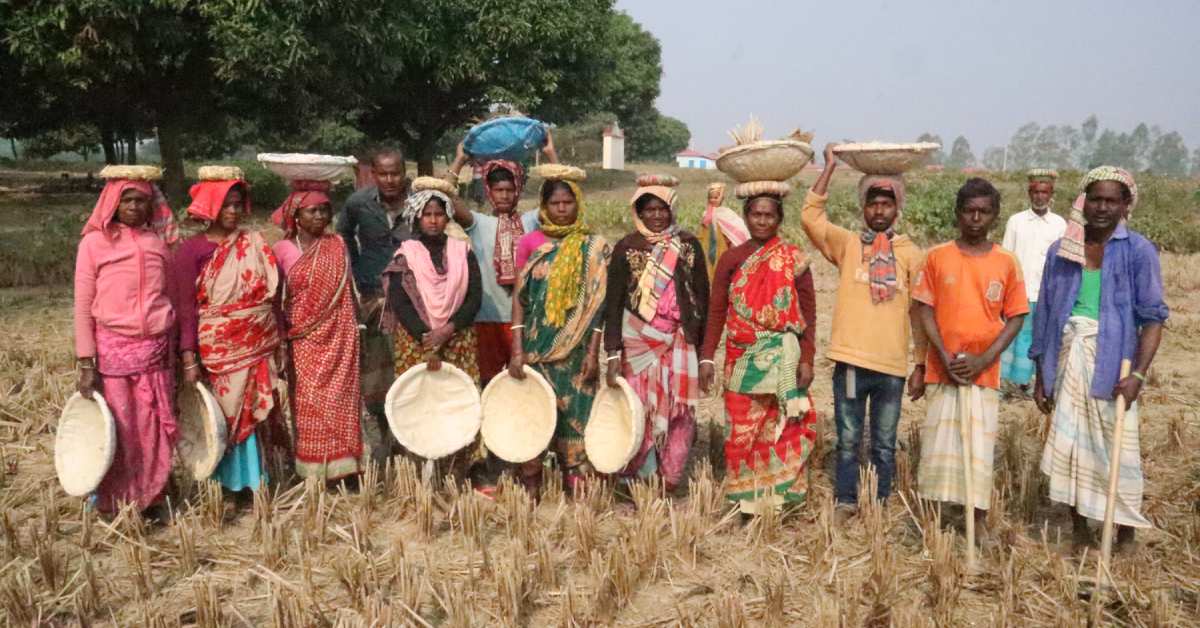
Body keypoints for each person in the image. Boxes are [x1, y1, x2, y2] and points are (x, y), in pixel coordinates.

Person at [1030, 166, 1166, 551]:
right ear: (1083, 202)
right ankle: (1080, 528)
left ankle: (1123, 529)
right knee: (1072, 446)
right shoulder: (1061, 250)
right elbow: (1046, 314)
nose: (1102, 207)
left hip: (1114, 363)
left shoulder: (1138, 251)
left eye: (1111, 200)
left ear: (1126, 205)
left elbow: (1154, 318)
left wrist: (1138, 374)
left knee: (1116, 449)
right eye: (1096, 199)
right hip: (1068, 357)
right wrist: (1042, 373)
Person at [801, 144, 927, 521]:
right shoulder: (848, 245)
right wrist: (829, 167)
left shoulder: (911, 254)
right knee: (849, 440)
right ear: (863, 206)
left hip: (890, 367)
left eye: (886, 204)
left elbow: (920, 314)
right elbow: (811, 216)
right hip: (851, 363)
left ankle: (880, 501)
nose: (879, 211)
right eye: (873, 203)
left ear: (897, 207)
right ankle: (845, 499)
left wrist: (921, 363)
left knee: (885, 444)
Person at [911, 178, 1028, 539]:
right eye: (969, 211)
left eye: (984, 211)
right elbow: (923, 310)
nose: (975, 218)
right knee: (937, 449)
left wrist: (983, 359)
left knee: (978, 452)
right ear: (958, 213)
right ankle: (932, 523)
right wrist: (943, 356)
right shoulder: (936, 256)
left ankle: (975, 522)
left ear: (994, 215)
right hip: (941, 370)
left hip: (985, 373)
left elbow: (1017, 316)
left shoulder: (1007, 262)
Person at [699, 189, 818, 516]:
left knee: (783, 428)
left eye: (769, 215)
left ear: (779, 219)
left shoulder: (794, 258)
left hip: (785, 357)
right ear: (746, 217)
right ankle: (747, 504)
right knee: (742, 432)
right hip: (742, 358)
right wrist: (707, 356)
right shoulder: (731, 259)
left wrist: (807, 358)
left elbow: (808, 313)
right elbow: (716, 312)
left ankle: (779, 503)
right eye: (756, 214)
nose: (762, 220)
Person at [174, 171, 291, 494]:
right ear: (210, 206)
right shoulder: (190, 252)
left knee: (257, 409)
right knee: (223, 416)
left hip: (258, 341)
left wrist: (279, 337)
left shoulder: (254, 243)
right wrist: (188, 357)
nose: (233, 212)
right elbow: (185, 309)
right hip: (219, 348)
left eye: (238, 205)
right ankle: (226, 485)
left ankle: (258, 480)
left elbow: (273, 294)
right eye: (226, 205)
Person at [73, 171, 179, 515]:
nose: (134, 207)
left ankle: (153, 495)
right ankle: (118, 499)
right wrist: (86, 361)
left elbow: (172, 296)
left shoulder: (157, 243)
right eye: (127, 200)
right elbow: (83, 304)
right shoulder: (93, 244)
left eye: (141, 200)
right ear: (113, 203)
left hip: (156, 352)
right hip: (113, 353)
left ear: (152, 205)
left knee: (154, 427)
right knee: (121, 429)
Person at [602, 175, 709, 493]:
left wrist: (704, 354)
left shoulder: (688, 245)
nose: (657, 216)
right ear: (639, 211)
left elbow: (703, 297)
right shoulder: (626, 248)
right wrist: (611, 352)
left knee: (680, 411)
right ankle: (640, 479)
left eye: (663, 209)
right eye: (650, 209)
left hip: (679, 343)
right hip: (638, 344)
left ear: (672, 210)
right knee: (638, 410)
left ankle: (670, 478)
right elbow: (614, 303)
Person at [508, 171, 610, 494]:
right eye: (555, 203)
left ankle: (577, 495)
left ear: (578, 203)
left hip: (578, 355)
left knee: (577, 422)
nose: (562, 208)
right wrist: (516, 348)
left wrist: (594, 353)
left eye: (568, 202)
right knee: (533, 420)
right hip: (536, 351)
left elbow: (598, 307)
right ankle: (531, 494)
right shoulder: (533, 243)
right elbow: (520, 300)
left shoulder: (594, 248)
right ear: (544, 206)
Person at [446, 131, 557, 383]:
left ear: (517, 190)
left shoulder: (531, 221)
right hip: (487, 317)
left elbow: (559, 193)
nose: (504, 195)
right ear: (488, 192)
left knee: (527, 383)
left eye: (509, 189)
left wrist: (550, 153)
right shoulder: (478, 223)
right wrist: (459, 159)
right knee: (490, 383)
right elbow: (446, 197)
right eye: (498, 190)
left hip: (525, 319)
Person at [273, 181, 364, 482]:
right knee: (309, 403)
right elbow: (276, 298)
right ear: (296, 216)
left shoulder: (337, 245)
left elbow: (347, 293)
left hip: (340, 335)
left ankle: (347, 469)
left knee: (343, 402)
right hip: (303, 339)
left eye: (325, 210)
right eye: (312, 211)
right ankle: (313, 471)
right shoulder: (282, 250)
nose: (320, 216)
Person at [337, 149, 409, 455]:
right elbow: (343, 235)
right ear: (374, 174)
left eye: (395, 173)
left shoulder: (419, 200)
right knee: (377, 374)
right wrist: (359, 267)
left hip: (412, 299)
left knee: (408, 369)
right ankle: (383, 439)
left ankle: (409, 436)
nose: (390, 180)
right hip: (373, 298)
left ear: (404, 172)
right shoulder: (358, 203)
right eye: (383, 174)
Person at [381, 188, 482, 379]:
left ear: (448, 216)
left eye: (439, 214)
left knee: (458, 398)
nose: (433, 221)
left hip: (457, 339)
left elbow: (474, 296)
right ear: (418, 218)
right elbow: (400, 302)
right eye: (427, 215)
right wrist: (426, 338)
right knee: (419, 400)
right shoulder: (406, 255)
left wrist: (448, 330)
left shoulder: (463, 251)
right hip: (417, 342)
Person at [1000, 169, 1067, 394]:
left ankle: (1032, 386)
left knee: (1040, 338)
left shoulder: (1059, 224)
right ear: (1030, 194)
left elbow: (1062, 261)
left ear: (1051, 195)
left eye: (1044, 192)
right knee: (1013, 337)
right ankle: (1006, 384)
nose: (1040, 197)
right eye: (1036, 192)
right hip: (1019, 292)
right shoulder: (1016, 221)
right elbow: (1006, 258)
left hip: (1046, 294)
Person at [696, 182, 750, 280]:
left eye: (716, 197)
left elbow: (738, 231)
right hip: (707, 251)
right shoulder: (706, 215)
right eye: (710, 198)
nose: (713, 200)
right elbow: (702, 233)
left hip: (723, 250)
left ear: (722, 198)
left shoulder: (726, 214)